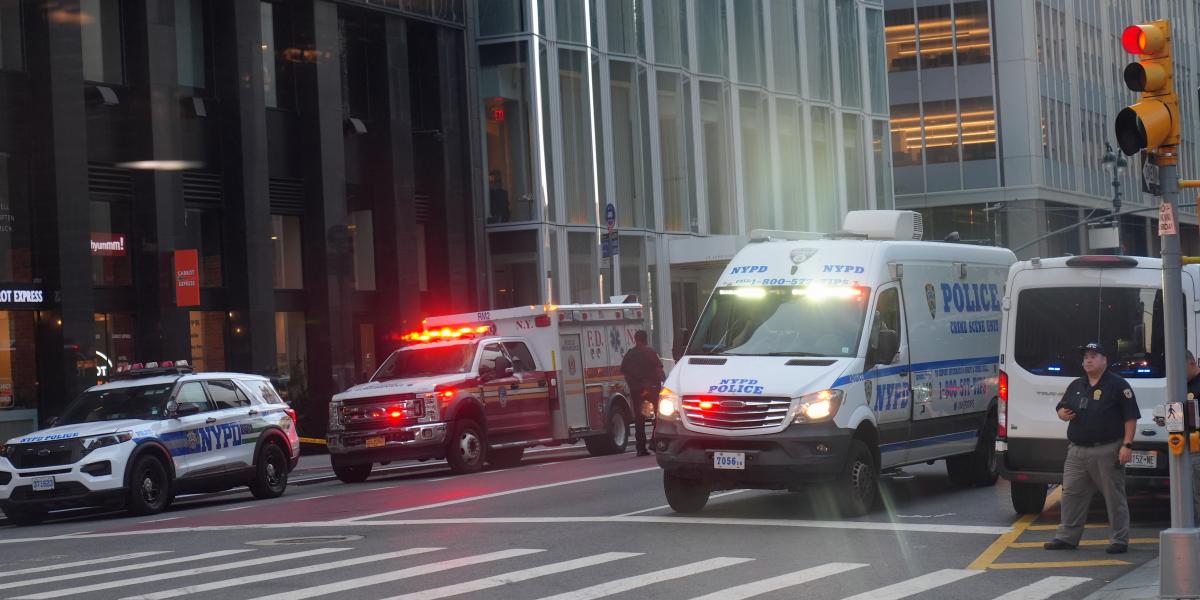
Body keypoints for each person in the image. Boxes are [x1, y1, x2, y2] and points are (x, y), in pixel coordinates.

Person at [1044, 342, 1139, 555]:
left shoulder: (1118, 385)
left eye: (1093, 356)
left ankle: (1119, 540)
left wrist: (1127, 445)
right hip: (1077, 451)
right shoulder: (1077, 384)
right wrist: (1061, 414)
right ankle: (1067, 537)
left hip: (1107, 450)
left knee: (1114, 497)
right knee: (1071, 494)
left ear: (1105, 360)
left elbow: (1130, 417)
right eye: (1086, 356)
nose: (1088, 360)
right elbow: (1062, 406)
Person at [621, 330, 665, 456]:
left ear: (635, 339)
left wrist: (632, 384)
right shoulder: (650, 352)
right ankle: (654, 442)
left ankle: (640, 447)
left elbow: (624, 371)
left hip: (636, 390)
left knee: (639, 418)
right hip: (651, 389)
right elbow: (659, 369)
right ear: (646, 339)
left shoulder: (630, 354)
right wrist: (665, 382)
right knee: (659, 415)